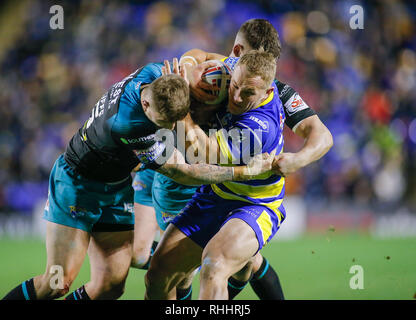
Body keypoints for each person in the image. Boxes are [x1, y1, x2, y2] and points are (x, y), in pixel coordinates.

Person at [2, 60, 275, 300]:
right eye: (164, 122)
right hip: (77, 185)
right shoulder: (129, 124)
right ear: (145, 105)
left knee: (110, 287)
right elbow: (182, 172)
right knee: (57, 283)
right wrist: (243, 171)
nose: (168, 128)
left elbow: (195, 65)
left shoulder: (156, 73)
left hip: (116, 188)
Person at [180, 18, 333, 300]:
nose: (263, 70)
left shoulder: (278, 91)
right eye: (254, 58)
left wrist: (298, 160)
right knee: (186, 268)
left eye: (269, 62)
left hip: (243, 188)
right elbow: (194, 54)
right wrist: (187, 71)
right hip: (201, 178)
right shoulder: (220, 69)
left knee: (215, 265)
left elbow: (322, 136)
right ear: (237, 52)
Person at [145, 50, 287, 300]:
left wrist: (181, 106)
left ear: (268, 92)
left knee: (214, 265)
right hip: (216, 194)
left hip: (254, 204)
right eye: (235, 86)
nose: (236, 96)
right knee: (158, 274)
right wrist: (187, 68)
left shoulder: (259, 128)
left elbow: (202, 153)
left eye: (248, 93)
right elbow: (200, 54)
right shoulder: (236, 69)